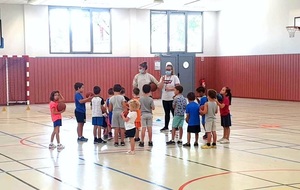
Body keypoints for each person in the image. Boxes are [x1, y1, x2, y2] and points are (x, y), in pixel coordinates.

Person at [158, 62, 180, 132]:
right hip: (165, 98)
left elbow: (178, 86)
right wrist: (162, 81)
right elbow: (160, 87)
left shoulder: (175, 77)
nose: (167, 71)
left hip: (172, 98)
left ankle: (175, 126)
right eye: (166, 69)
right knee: (166, 113)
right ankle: (166, 126)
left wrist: (170, 89)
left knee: (174, 112)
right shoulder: (163, 77)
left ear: (172, 70)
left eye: (169, 69)